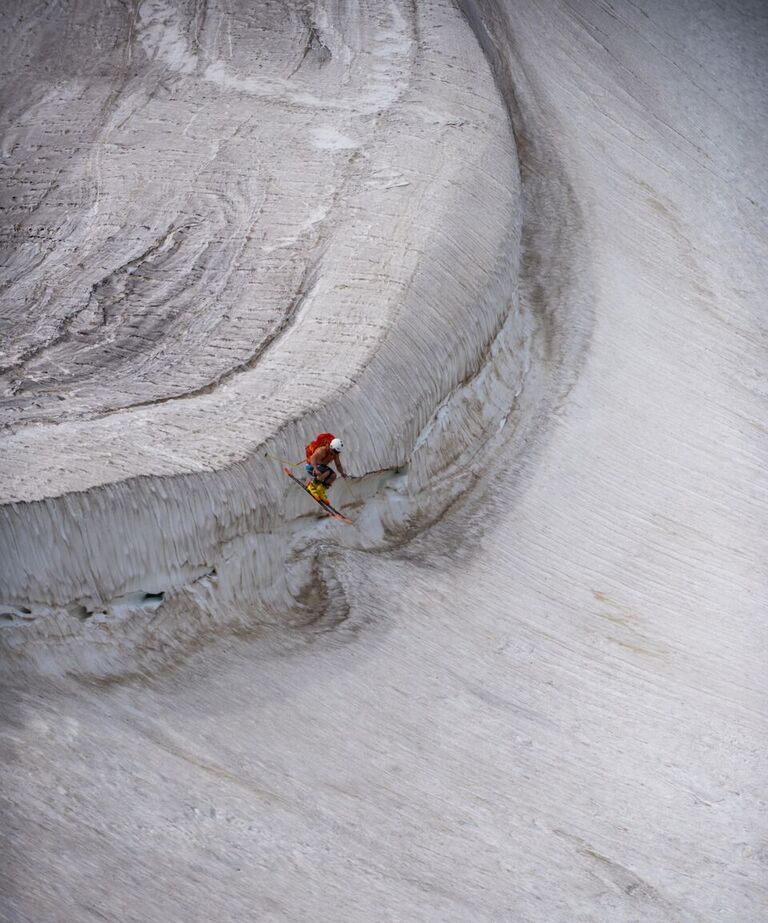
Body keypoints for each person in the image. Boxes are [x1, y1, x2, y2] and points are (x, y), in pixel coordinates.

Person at [305, 436, 346, 503]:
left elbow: (338, 465)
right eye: (335, 451)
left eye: (337, 452)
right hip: (311, 467)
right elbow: (312, 458)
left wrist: (342, 472)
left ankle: (320, 490)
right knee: (327, 472)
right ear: (331, 447)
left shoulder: (334, 454)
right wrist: (315, 469)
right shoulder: (321, 450)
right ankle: (311, 486)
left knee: (333, 475)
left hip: (321, 468)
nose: (335, 454)